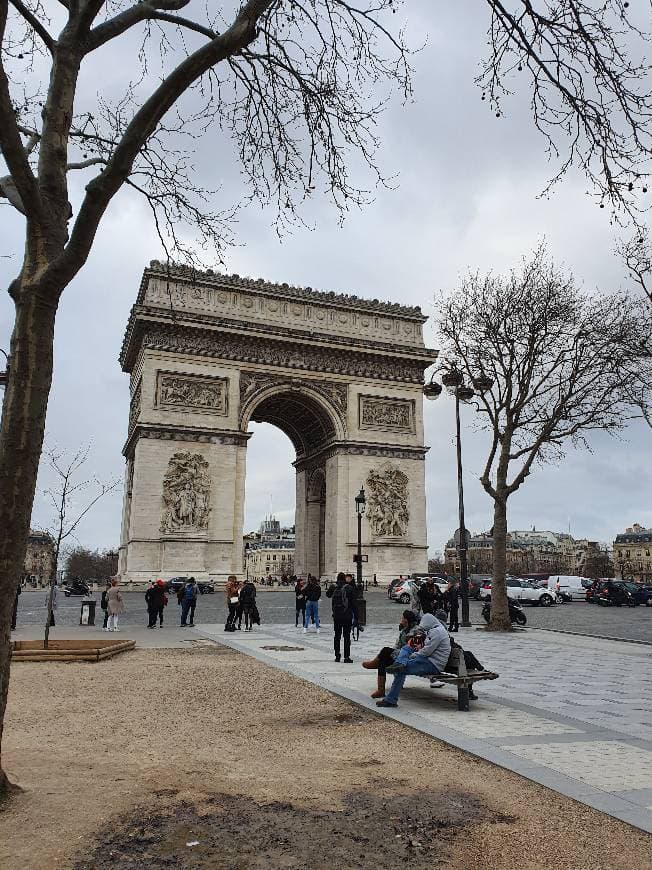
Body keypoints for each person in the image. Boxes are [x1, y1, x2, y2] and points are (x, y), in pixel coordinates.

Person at [376, 612, 451, 708]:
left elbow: (427, 652)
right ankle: (399, 663)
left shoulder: (437, 632)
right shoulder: (435, 630)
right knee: (406, 648)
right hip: (427, 660)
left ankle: (391, 700)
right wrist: (415, 647)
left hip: (433, 664)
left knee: (400, 669)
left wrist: (412, 655)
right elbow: (426, 648)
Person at [362, 609, 418, 698]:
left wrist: (394, 653)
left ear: (406, 620)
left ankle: (373, 663)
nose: (401, 619)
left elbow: (412, 649)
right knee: (383, 660)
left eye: (402, 618)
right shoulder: (403, 631)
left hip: (408, 657)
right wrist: (393, 654)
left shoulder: (415, 632)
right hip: (399, 655)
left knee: (385, 651)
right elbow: (397, 645)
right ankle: (380, 690)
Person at [326, 572, 354, 663]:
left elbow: (328, 595)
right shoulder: (349, 588)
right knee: (346, 636)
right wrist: (356, 616)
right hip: (347, 615)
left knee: (337, 636)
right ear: (344, 579)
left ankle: (337, 656)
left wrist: (332, 586)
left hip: (337, 615)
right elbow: (354, 603)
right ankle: (346, 657)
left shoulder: (334, 587)